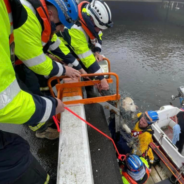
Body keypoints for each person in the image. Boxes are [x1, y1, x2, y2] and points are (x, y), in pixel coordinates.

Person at [0, 0, 73, 140]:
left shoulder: (42, 19)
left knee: (36, 88)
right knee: (28, 91)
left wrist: (73, 66)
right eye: (62, 24)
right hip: (18, 65)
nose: (63, 29)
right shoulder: (30, 18)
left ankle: (44, 114)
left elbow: (56, 45)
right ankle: (41, 129)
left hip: (19, 61)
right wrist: (65, 70)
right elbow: (37, 62)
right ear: (51, 14)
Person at [57, 0, 113, 94]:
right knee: (52, 80)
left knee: (89, 69)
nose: (101, 31)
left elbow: (98, 36)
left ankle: (90, 90)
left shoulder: (93, 25)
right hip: (60, 55)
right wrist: (102, 79)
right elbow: (86, 58)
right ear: (91, 20)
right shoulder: (75, 29)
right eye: (100, 28)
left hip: (77, 52)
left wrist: (96, 52)